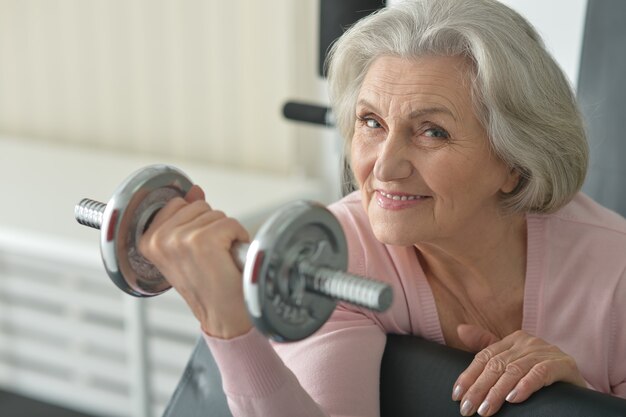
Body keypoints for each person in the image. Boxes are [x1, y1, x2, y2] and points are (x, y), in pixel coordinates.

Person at [140, 0, 626, 416]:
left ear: (514, 163)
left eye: (432, 131)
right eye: (371, 122)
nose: (384, 167)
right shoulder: (338, 249)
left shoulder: (616, 271)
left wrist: (578, 404)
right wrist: (230, 327)